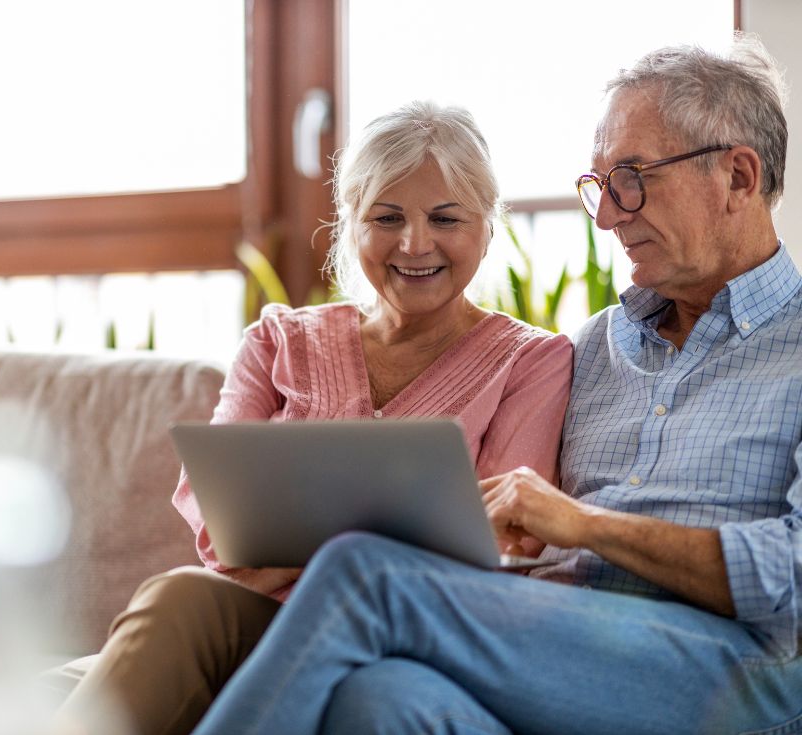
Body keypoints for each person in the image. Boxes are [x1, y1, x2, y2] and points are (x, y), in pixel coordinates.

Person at [191, 35, 802, 735]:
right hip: (553, 639)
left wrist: (583, 524)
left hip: (727, 663)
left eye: (632, 177)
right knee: (380, 699)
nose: (606, 214)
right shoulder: (596, 346)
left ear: (740, 177)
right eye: (600, 185)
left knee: (366, 572)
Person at [55, 101, 573, 735]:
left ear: (488, 229)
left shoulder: (533, 361)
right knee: (182, 594)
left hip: (405, 641)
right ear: (349, 226)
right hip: (263, 621)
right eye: (386, 217)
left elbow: (494, 542)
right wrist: (354, 548)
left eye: (446, 218)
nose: (415, 244)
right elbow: (222, 526)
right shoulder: (277, 340)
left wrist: (299, 558)